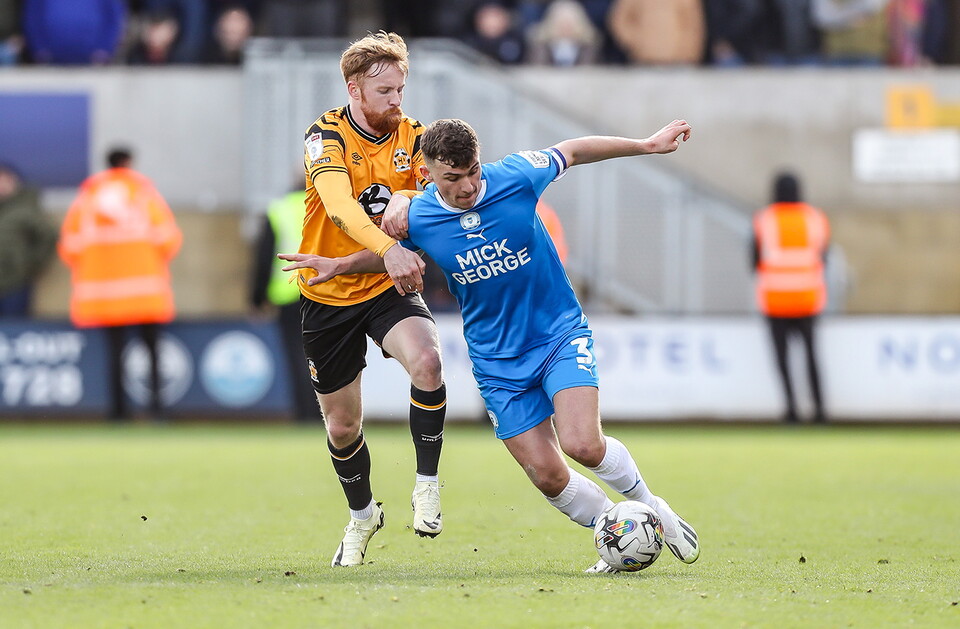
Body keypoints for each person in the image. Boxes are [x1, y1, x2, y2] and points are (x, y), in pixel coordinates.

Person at [281, 117, 702, 573]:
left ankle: (650, 506)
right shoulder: (418, 215)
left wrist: (645, 144)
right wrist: (339, 265)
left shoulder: (516, 176)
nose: (466, 186)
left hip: (557, 334)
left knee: (582, 445)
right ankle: (615, 534)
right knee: (548, 474)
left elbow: (574, 149)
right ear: (428, 175)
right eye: (453, 178)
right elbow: (386, 254)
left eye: (473, 171)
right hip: (496, 360)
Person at [285, 32, 447, 568]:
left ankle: (427, 485)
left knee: (427, 359)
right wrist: (390, 248)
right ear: (354, 88)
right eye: (385, 91)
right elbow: (338, 209)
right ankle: (362, 515)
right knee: (342, 426)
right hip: (328, 293)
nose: (397, 101)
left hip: (381, 286)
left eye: (401, 89)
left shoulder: (414, 135)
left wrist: (413, 199)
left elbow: (441, 193)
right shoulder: (324, 135)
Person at [58, 148, 182, 421]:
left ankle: (117, 412)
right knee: (151, 350)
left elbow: (70, 246)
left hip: (103, 294)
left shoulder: (87, 198)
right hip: (145, 290)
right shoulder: (143, 194)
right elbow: (168, 238)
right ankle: (157, 410)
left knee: (114, 351)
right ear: (129, 163)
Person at [751, 172, 829, 424]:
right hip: (808, 298)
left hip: (775, 300)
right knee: (811, 356)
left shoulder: (765, 219)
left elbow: (754, 260)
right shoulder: (815, 218)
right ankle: (819, 412)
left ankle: (792, 411)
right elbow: (823, 256)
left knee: (782, 359)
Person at [249, 187, 318, 422]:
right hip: (325, 290)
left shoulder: (279, 209)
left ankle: (304, 413)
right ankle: (326, 413)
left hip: (289, 294)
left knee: (296, 355)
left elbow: (264, 255)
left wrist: (257, 297)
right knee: (323, 355)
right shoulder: (326, 203)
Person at [0, 163, 58, 317]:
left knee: (13, 329)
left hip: (14, 282)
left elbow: (48, 236)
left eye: (5, 180)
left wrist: (31, 264)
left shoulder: (26, 208)